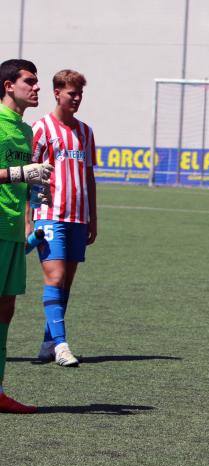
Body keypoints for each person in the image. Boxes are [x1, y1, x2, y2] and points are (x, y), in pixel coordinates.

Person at [29, 69, 98, 367]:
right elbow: (29, 176)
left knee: (65, 282)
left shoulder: (85, 131)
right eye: (72, 93)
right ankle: (61, 346)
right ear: (57, 93)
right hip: (50, 214)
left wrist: (93, 217)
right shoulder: (41, 128)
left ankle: (47, 343)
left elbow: (90, 176)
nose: (77, 98)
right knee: (54, 277)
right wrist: (29, 219)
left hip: (78, 218)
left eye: (80, 93)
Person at [0, 59, 53, 413]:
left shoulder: (27, 130)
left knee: (6, 311)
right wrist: (22, 171)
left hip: (14, 231)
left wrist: (35, 189)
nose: (36, 88)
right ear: (8, 86)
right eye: (29, 81)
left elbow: (17, 178)